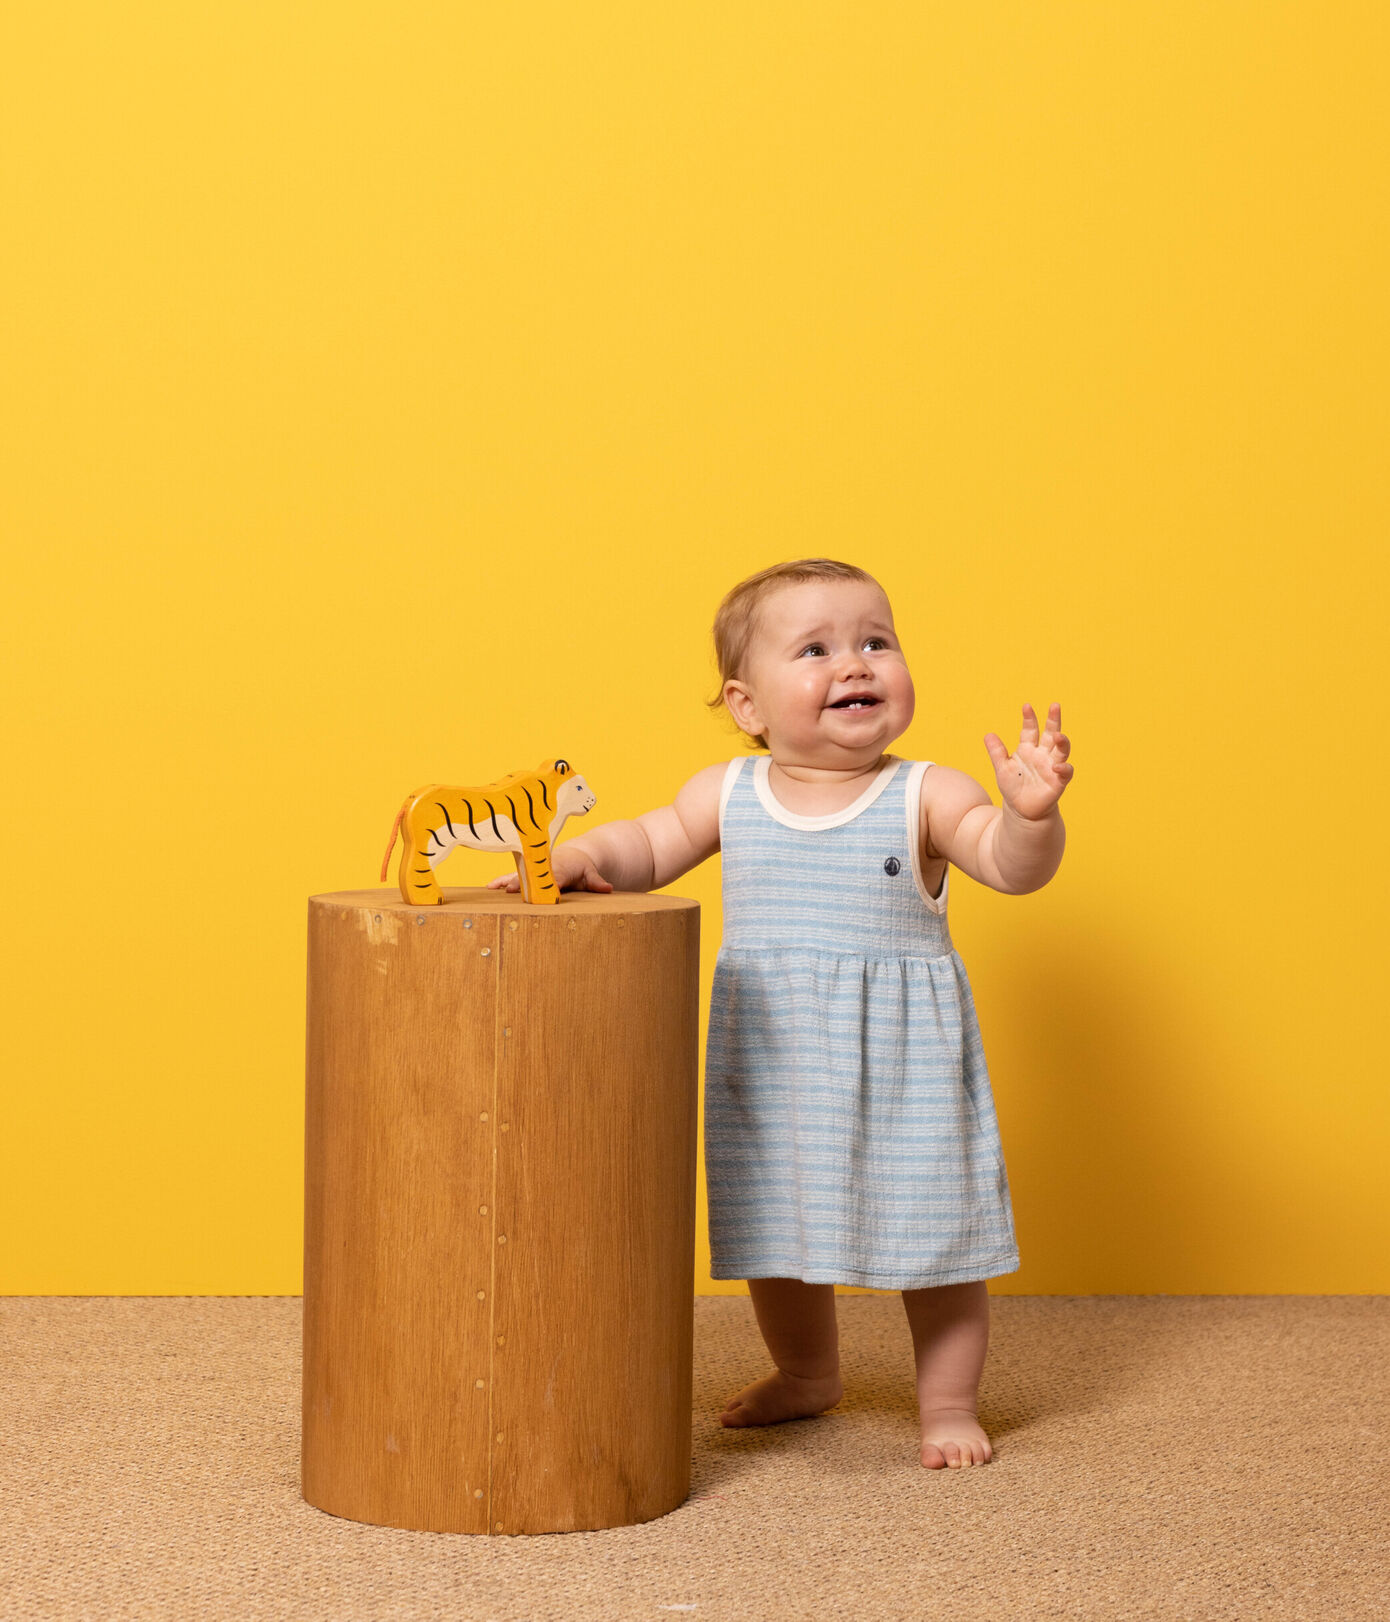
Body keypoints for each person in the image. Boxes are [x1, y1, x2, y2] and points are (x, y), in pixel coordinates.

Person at [487, 557, 1074, 1470]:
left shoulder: (927, 792)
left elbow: (1008, 864)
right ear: (747, 705)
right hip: (772, 1062)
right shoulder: (729, 792)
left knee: (939, 1238)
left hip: (904, 1068)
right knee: (777, 1232)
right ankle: (808, 1373)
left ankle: (949, 1401)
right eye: (816, 649)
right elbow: (645, 843)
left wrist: (1031, 818)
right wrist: (574, 856)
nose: (856, 665)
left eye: (877, 641)